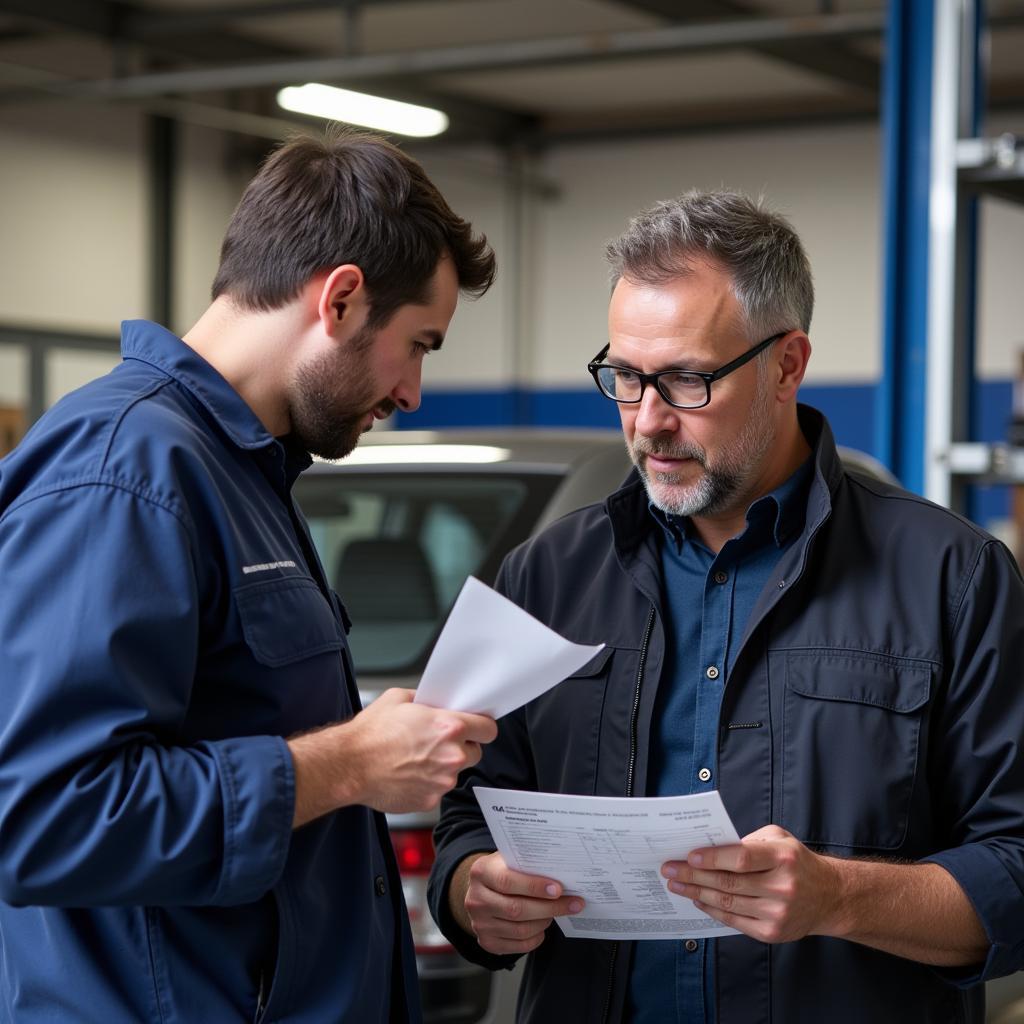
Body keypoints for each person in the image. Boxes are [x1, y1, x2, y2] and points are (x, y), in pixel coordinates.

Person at [428, 190, 1024, 1023]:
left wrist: (840, 898)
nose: (647, 422)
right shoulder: (544, 577)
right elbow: (471, 808)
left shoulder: (952, 579)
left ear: (787, 364)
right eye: (626, 379)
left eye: (685, 381)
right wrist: (471, 891)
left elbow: (1017, 868)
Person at [0, 129, 499, 1023]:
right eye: (418, 344)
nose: (414, 390)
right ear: (340, 298)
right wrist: (348, 765)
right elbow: (44, 819)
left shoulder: (247, 474)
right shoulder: (126, 472)